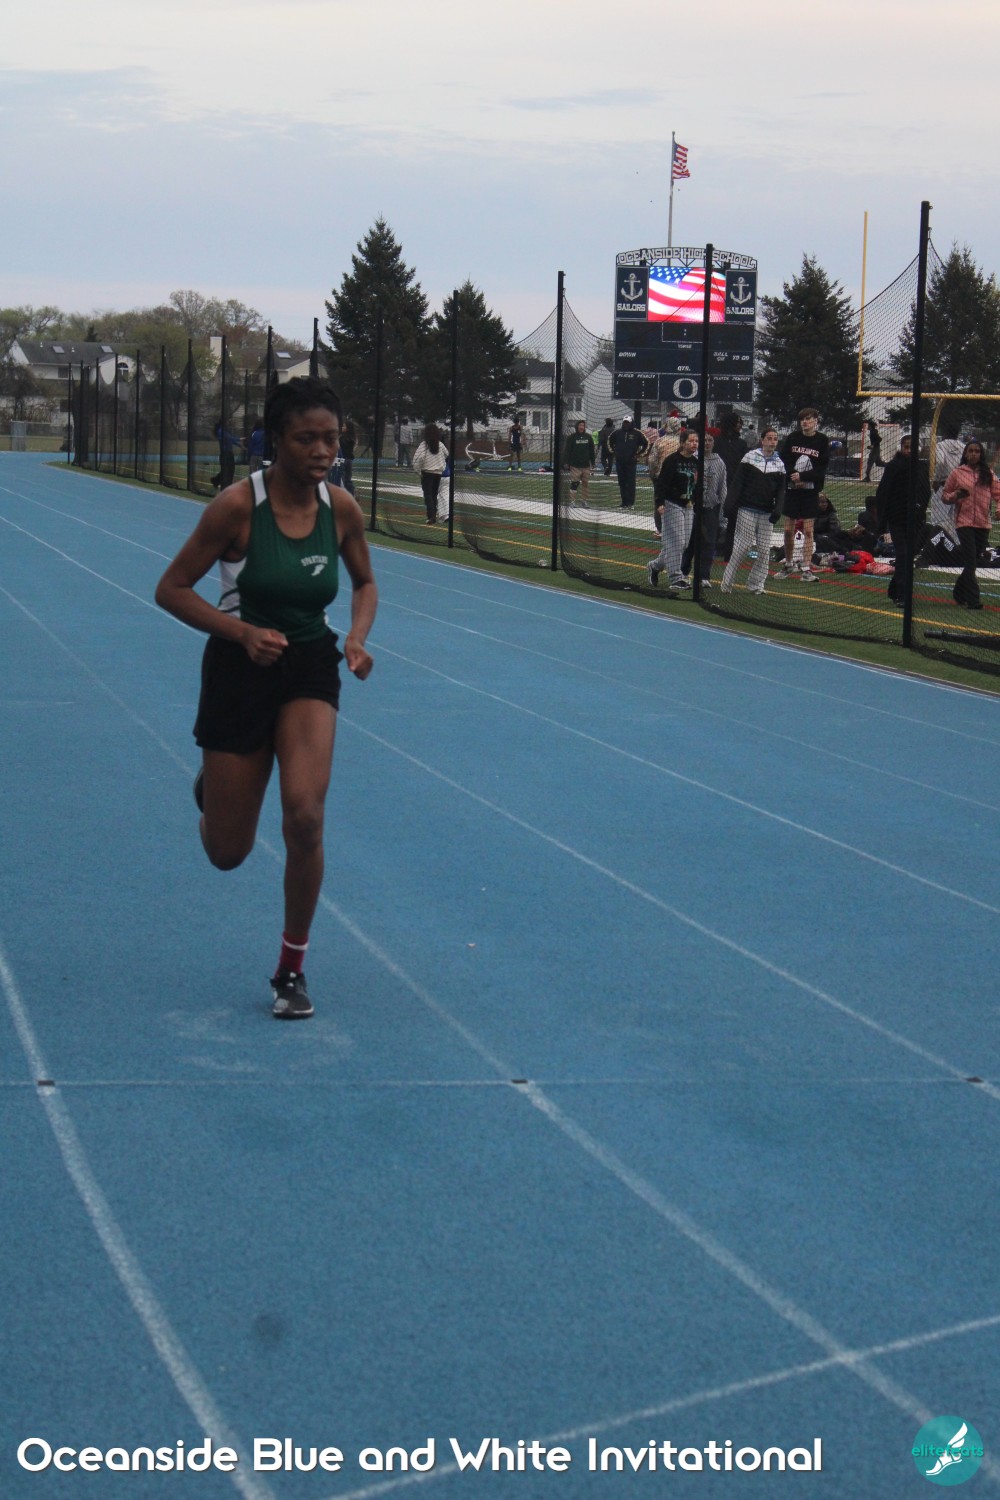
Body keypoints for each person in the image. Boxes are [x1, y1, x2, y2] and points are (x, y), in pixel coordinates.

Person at [154, 376, 377, 1020]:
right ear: (275, 440)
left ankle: (290, 970)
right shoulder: (235, 507)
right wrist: (243, 633)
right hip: (240, 668)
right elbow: (171, 589)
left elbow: (365, 584)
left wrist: (356, 639)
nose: (322, 451)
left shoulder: (342, 509)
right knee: (228, 853)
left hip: (309, 666)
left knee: (305, 816)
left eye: (331, 438)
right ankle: (214, 789)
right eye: (306, 439)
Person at [720, 428, 786, 595]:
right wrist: (729, 504)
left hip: (766, 512)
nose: (772, 441)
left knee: (764, 550)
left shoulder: (779, 463)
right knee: (743, 546)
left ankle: (756, 585)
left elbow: (781, 490)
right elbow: (737, 482)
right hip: (747, 509)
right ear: (762, 440)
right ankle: (727, 583)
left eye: (775, 438)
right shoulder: (750, 457)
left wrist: (778, 509)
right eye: (769, 438)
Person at [941, 439, 1000, 609]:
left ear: (981, 454)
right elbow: (945, 496)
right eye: (970, 451)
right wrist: (956, 495)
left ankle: (958, 592)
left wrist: (998, 509)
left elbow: (998, 494)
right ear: (965, 454)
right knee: (971, 560)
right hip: (964, 523)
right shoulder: (957, 473)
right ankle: (973, 600)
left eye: (977, 451)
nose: (973, 454)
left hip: (983, 524)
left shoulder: (988, 474)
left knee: (973, 560)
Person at [873, 433, 931, 604]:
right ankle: (902, 594)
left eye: (912, 447)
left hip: (915, 519)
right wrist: (883, 521)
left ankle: (895, 589)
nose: (909, 450)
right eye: (906, 447)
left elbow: (925, 491)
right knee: (903, 554)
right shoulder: (894, 466)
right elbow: (883, 492)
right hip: (897, 518)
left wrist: (921, 509)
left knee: (907, 556)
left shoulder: (922, 467)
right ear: (901, 448)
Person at [777, 407, 830, 582]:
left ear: (816, 420)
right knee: (788, 530)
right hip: (792, 489)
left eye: (808, 419)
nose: (805, 422)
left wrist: (804, 477)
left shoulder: (822, 440)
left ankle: (806, 568)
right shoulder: (793, 437)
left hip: (810, 491)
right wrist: (794, 476)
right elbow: (784, 460)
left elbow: (822, 467)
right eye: (802, 419)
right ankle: (788, 564)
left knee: (808, 530)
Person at [646, 429, 699, 591]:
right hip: (672, 504)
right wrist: (660, 502)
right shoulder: (672, 460)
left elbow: (696, 484)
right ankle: (676, 578)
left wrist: (695, 500)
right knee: (677, 542)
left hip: (688, 505)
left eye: (696, 441)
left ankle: (655, 566)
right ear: (682, 443)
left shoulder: (695, 462)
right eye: (691, 441)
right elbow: (662, 483)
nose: (694, 444)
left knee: (683, 544)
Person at [681, 432, 727, 586]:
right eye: (704, 440)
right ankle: (683, 572)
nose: (707, 443)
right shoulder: (693, 459)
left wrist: (722, 513)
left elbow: (722, 488)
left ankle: (704, 576)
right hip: (692, 507)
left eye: (710, 440)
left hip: (710, 507)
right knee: (689, 540)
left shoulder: (719, 462)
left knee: (708, 542)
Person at [411, 423, 449, 524]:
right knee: (434, 494)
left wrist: (418, 471)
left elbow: (417, 459)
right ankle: (434, 514)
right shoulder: (440, 444)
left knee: (428, 495)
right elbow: (447, 454)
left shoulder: (424, 445)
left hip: (427, 473)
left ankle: (431, 516)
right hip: (438, 473)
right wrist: (440, 463)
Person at [608, 416, 649, 509]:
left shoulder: (637, 433)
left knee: (630, 483)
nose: (626, 424)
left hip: (631, 463)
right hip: (619, 462)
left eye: (628, 422)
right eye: (625, 422)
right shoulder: (617, 433)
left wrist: (639, 455)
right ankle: (624, 503)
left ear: (631, 423)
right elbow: (609, 441)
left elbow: (646, 443)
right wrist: (614, 452)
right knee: (622, 482)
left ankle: (631, 503)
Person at [564, 419, 596, 506]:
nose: (582, 427)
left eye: (583, 425)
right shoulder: (572, 437)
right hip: (575, 465)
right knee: (575, 483)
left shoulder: (588, 437)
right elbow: (567, 451)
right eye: (580, 425)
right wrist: (566, 462)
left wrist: (593, 462)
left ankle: (584, 502)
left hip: (586, 465)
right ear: (577, 426)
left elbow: (592, 450)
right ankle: (572, 502)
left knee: (585, 483)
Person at [212, 422, 242, 489]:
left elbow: (230, 440)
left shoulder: (224, 431)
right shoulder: (221, 431)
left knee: (227, 470)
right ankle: (223, 484)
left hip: (228, 453)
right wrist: (239, 439)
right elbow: (230, 439)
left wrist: (240, 445)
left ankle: (216, 481)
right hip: (225, 454)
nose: (228, 424)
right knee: (227, 471)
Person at [340, 418, 356, 494]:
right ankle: (351, 494)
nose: (342, 427)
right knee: (348, 479)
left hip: (343, 460)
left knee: (342, 479)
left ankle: (343, 495)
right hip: (349, 460)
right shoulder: (352, 438)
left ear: (348, 428)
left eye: (344, 426)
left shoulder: (342, 438)